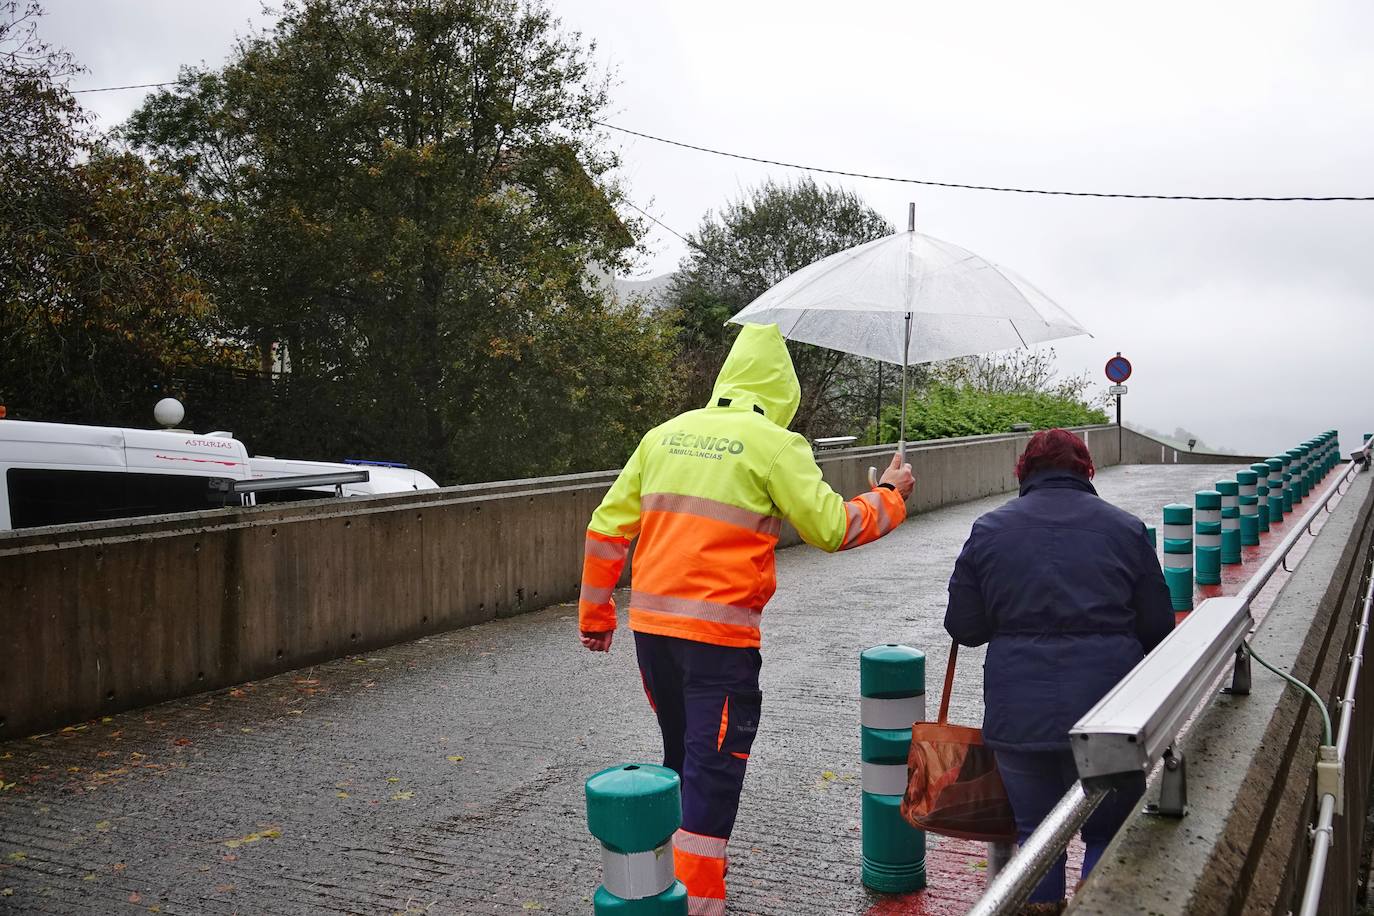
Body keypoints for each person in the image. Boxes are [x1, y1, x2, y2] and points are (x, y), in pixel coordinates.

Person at [578, 322, 915, 915]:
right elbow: (832, 527)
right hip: (719, 643)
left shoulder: (664, 436)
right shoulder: (775, 446)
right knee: (713, 772)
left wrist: (596, 615)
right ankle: (697, 903)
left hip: (652, 637)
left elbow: (606, 528)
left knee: (682, 758)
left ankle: (657, 887)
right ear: (782, 392)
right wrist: (890, 494)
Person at [943, 429, 1173, 915]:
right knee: (1109, 831)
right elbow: (1157, 627)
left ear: (1023, 471)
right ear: (1086, 470)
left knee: (1037, 836)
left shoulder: (989, 529)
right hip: (1110, 714)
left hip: (1020, 715)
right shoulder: (1125, 529)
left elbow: (964, 627)